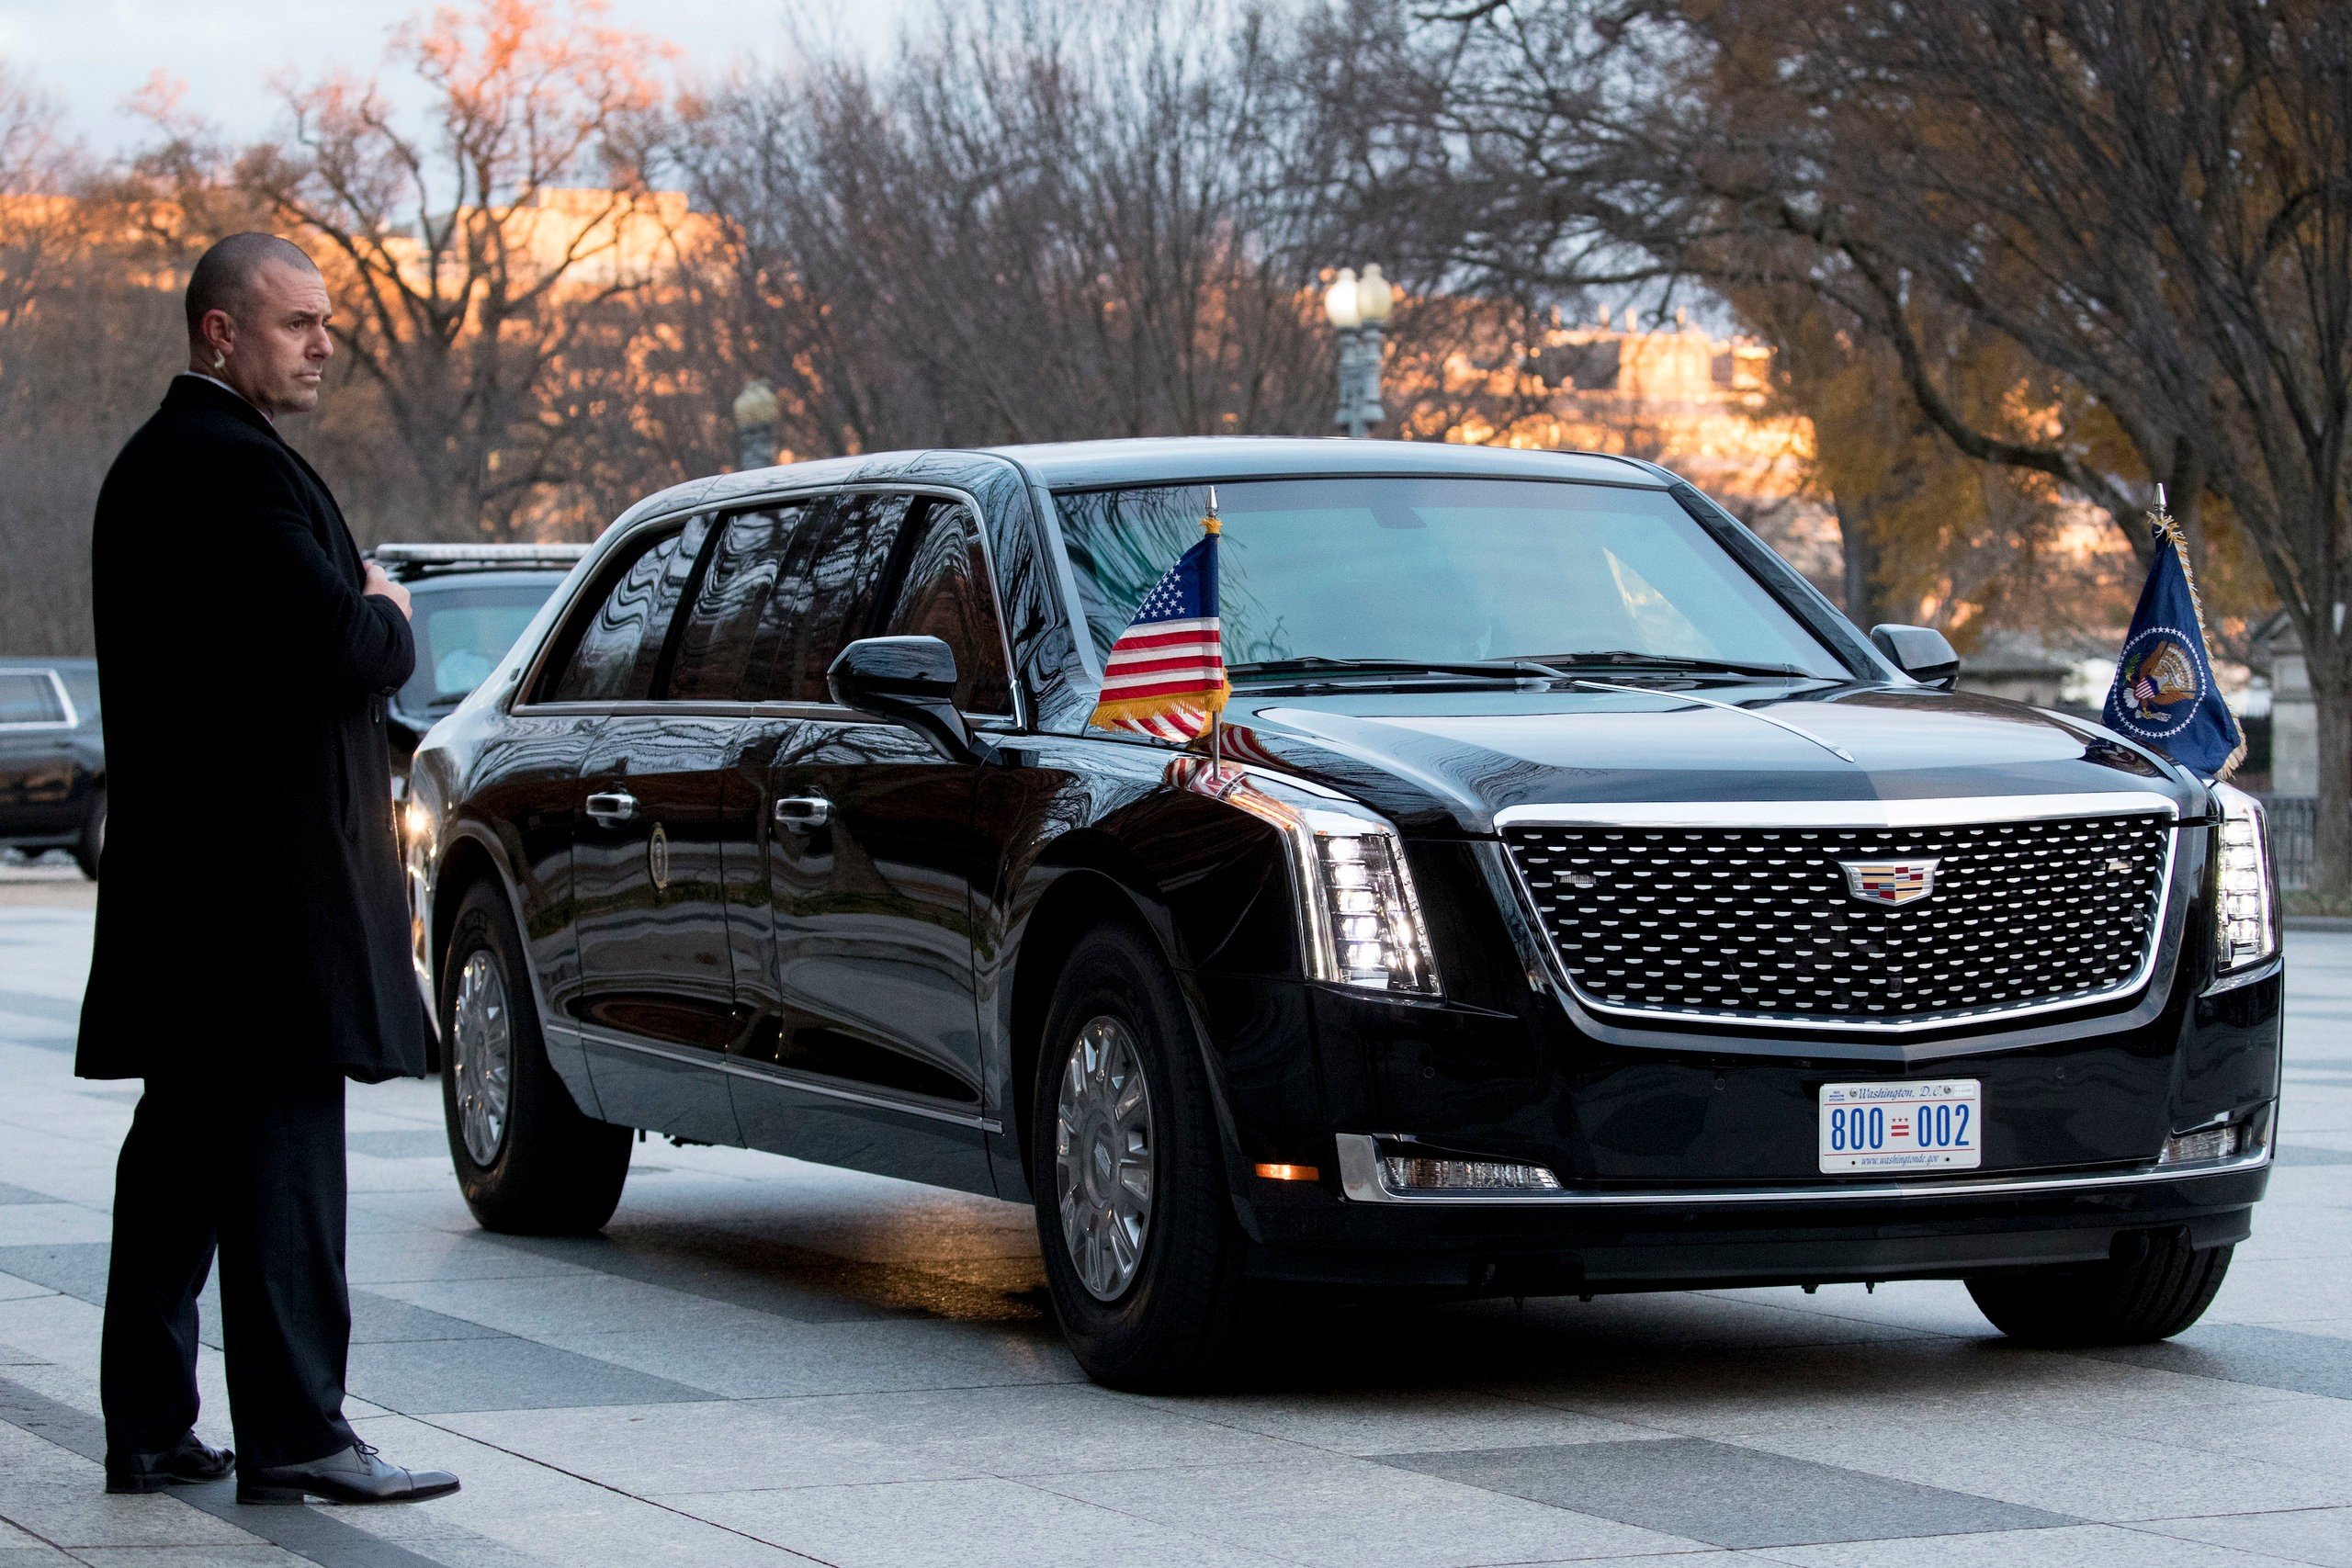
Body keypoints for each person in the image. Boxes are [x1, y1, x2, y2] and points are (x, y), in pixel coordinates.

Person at [78, 232, 459, 1506]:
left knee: (182, 1157)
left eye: (327, 323)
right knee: (285, 1163)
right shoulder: (229, 471)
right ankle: (298, 1431)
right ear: (219, 334)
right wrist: (394, 615)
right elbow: (339, 646)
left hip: (200, 896)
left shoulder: (164, 467)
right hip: (262, 903)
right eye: (298, 323)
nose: (324, 345)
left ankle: (150, 1421)